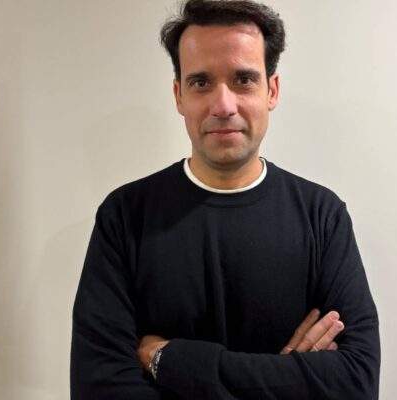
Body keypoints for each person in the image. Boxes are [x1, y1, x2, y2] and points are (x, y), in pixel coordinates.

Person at [70, 0, 380, 398]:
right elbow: (99, 389)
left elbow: (356, 383)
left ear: (272, 90)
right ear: (179, 95)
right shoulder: (125, 216)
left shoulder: (322, 215)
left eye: (243, 80)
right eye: (201, 83)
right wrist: (289, 378)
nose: (223, 105)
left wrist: (169, 360)